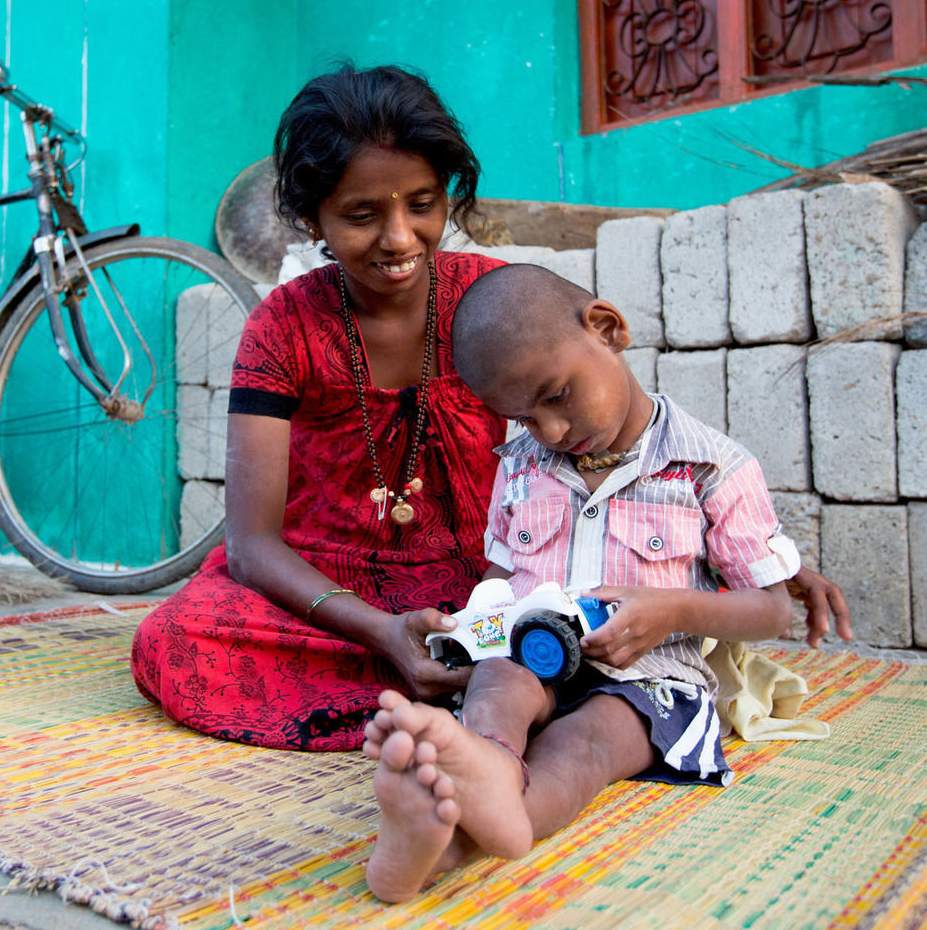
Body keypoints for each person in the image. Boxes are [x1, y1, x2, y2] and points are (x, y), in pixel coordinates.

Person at [130, 64, 851, 755]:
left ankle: (463, 695)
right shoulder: (282, 326)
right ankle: (449, 694)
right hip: (330, 592)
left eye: (421, 204)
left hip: (483, 580)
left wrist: (760, 563)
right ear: (312, 216)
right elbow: (254, 547)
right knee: (179, 639)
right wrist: (382, 631)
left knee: (526, 633)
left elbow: (612, 431)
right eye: (360, 214)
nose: (398, 238)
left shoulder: (492, 302)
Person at [360, 263, 804, 902]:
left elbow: (771, 610)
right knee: (497, 685)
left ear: (607, 329)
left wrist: (673, 610)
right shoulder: (518, 469)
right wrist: (466, 629)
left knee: (585, 744)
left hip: (652, 684)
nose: (551, 432)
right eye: (524, 418)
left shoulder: (711, 467)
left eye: (557, 396)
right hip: (533, 658)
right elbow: (501, 575)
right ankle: (478, 769)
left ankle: (467, 832)